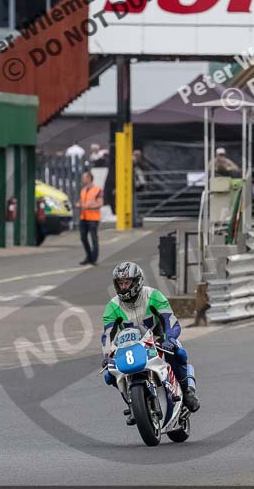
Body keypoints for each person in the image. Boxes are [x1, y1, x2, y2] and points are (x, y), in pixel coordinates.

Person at [101, 261, 200, 422]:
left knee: (179, 353)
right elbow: (107, 334)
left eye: (127, 282)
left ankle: (187, 391)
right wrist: (107, 355)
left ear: (137, 281)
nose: (124, 287)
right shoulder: (112, 306)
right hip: (129, 346)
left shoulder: (154, 296)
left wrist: (170, 339)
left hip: (158, 340)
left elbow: (170, 321)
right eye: (120, 283)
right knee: (109, 375)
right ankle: (134, 404)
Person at [76, 170, 103, 265]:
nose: (82, 179)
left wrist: (87, 206)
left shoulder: (97, 190)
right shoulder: (83, 190)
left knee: (94, 238)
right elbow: (82, 202)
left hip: (93, 218)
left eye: (84, 177)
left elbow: (100, 203)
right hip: (84, 217)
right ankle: (89, 256)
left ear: (89, 178)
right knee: (83, 237)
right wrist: (79, 204)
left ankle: (93, 258)